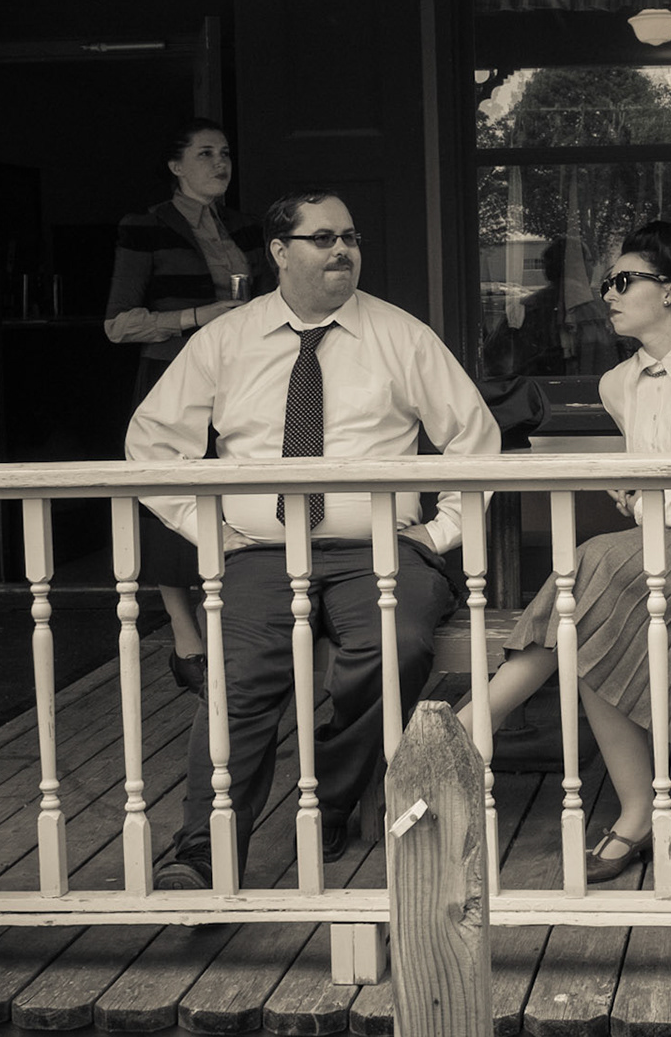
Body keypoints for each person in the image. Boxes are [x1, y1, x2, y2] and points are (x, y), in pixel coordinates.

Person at [128, 190, 501, 887]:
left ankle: (329, 797)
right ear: (279, 251)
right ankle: (202, 853)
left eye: (350, 237)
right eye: (323, 238)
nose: (342, 250)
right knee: (236, 676)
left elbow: (474, 441)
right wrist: (212, 532)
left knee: (397, 646)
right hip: (260, 554)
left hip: (379, 553)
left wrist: (440, 531)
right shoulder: (225, 341)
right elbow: (152, 444)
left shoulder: (402, 336)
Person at [462, 220, 671, 882]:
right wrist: (642, 495)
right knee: (591, 620)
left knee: (591, 565)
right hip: (661, 557)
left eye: (622, 281)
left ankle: (474, 723)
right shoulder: (617, 384)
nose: (606, 293)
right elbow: (650, 478)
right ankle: (637, 814)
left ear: (669, 290)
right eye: (604, 282)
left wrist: (648, 504)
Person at [103, 118, 269, 696]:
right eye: (205, 154)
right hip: (170, 375)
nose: (220, 163)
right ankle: (184, 634)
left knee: (231, 491)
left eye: (225, 153)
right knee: (170, 490)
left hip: (241, 376)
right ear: (176, 167)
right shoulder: (145, 227)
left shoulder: (246, 227)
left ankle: (233, 622)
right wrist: (198, 317)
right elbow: (118, 324)